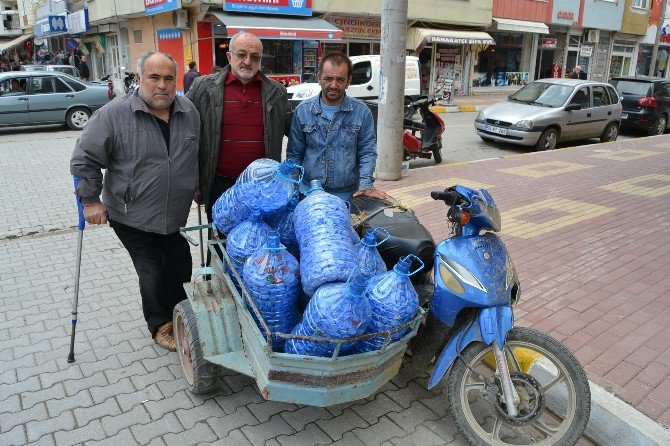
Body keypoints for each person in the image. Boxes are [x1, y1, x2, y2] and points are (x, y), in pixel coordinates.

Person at [70, 51, 201, 351]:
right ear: (139, 78)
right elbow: (84, 158)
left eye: (169, 78)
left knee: (180, 263)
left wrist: (197, 186)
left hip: (172, 214)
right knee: (152, 269)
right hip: (130, 214)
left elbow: (195, 153)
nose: (162, 85)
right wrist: (89, 201)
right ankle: (160, 324)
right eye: (154, 77)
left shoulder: (189, 111)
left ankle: (182, 315)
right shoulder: (113, 115)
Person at [186, 31, 292, 222]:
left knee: (260, 244)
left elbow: (294, 130)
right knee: (220, 245)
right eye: (241, 54)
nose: (247, 61)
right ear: (229, 56)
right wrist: (194, 182)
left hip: (262, 187)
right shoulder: (203, 87)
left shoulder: (276, 92)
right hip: (219, 183)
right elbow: (185, 135)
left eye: (255, 57)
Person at [287, 51, 388, 201]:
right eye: (328, 79)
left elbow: (367, 152)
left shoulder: (362, 112)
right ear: (319, 78)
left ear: (348, 81)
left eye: (340, 80)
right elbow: (294, 156)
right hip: (309, 195)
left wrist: (366, 184)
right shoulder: (303, 111)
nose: (333, 85)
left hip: (348, 197)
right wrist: (292, 191)